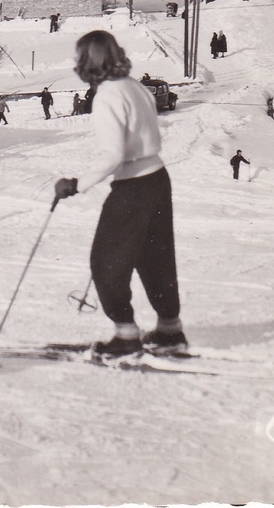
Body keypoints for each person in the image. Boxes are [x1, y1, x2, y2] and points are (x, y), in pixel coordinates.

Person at [53, 30, 185, 358]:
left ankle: (126, 335)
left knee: (106, 261)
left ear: (88, 61)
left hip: (133, 186)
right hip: (157, 178)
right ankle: (170, 330)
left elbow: (113, 155)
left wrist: (76, 184)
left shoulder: (108, 95)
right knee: (156, 259)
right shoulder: (136, 87)